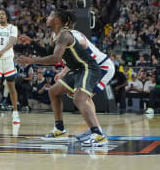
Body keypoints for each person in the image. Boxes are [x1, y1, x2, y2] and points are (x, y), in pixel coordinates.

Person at [18, 9, 108, 147]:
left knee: (80, 98)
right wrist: (32, 42)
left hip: (88, 68)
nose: (47, 17)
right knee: (53, 91)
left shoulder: (65, 35)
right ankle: (59, 130)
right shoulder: (56, 35)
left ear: (58, 20)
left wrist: (32, 60)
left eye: (50, 15)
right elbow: (48, 52)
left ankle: (98, 135)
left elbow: (55, 58)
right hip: (77, 70)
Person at [0, 9, 19, 125]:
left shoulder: (13, 28)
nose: (1, 16)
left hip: (8, 60)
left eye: (3, 14)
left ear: (7, 17)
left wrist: (2, 51)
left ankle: (15, 114)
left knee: (11, 87)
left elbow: (11, 42)